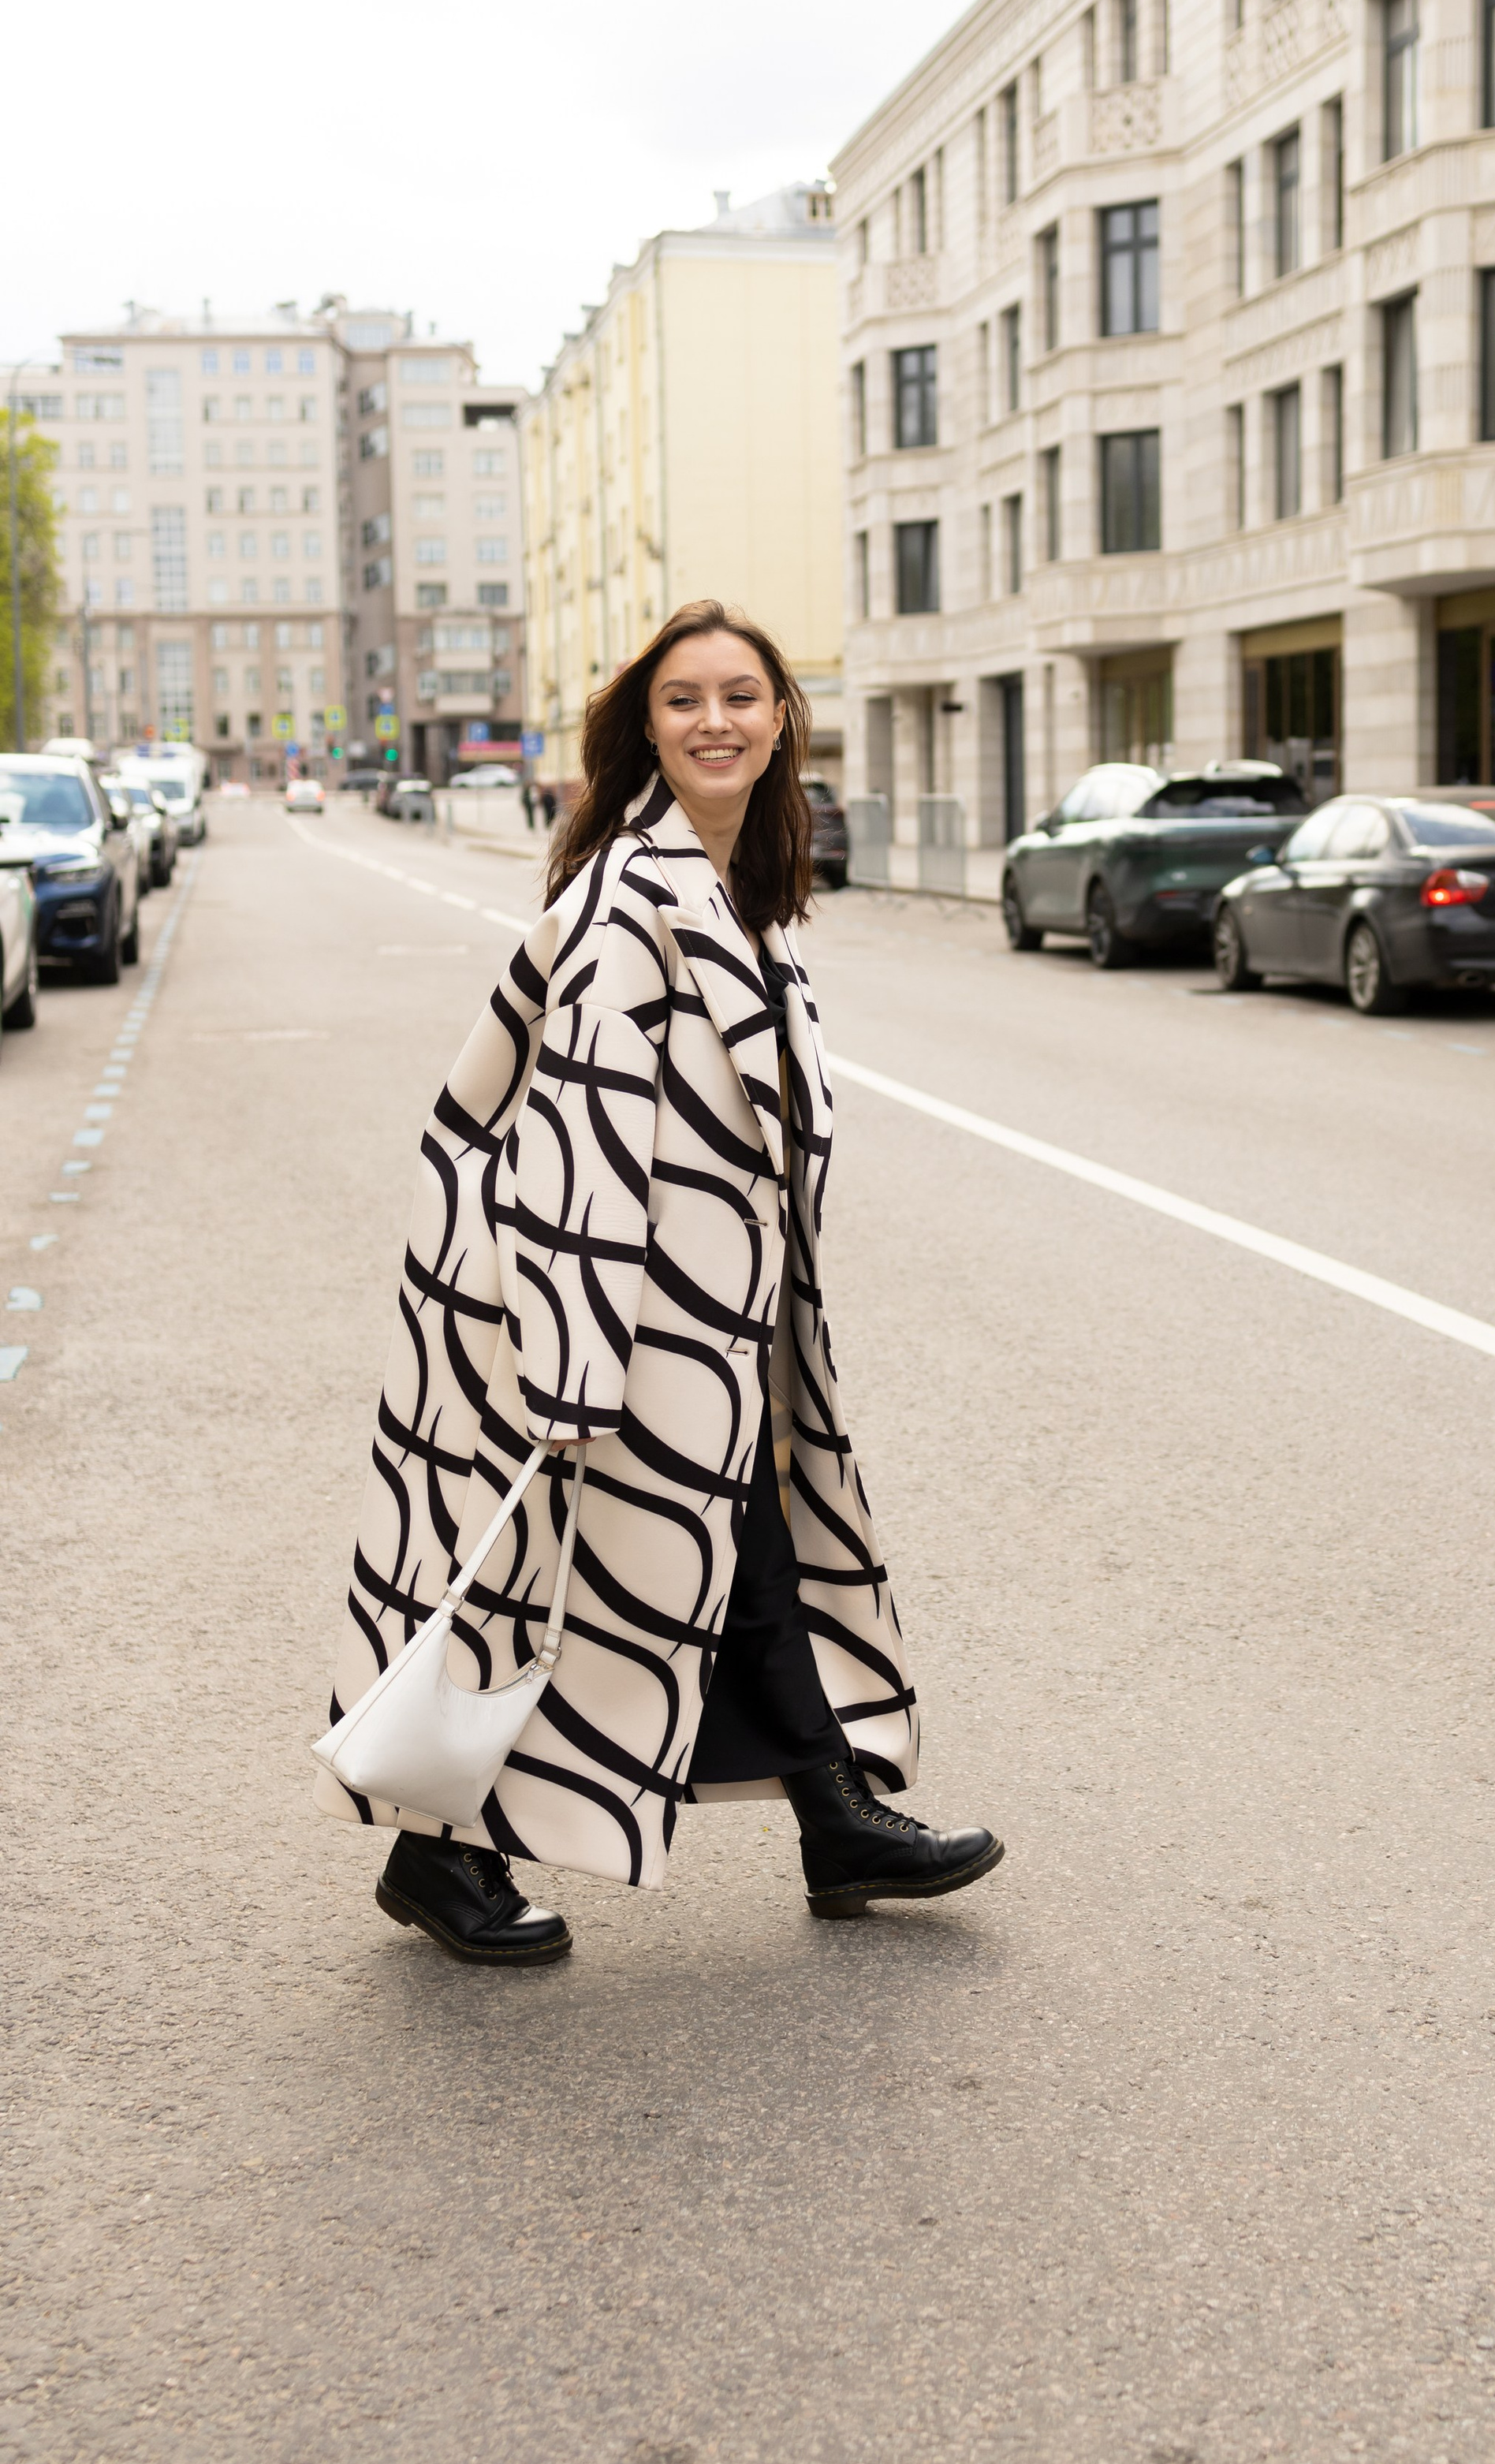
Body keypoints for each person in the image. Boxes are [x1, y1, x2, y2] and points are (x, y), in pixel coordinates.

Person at [315, 598, 1002, 1963]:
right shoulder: (637, 896)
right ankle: (441, 1855)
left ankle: (831, 1813)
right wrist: (574, 1356)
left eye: (741, 696)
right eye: (685, 701)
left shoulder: (739, 883)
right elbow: (579, 1121)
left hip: (700, 1310)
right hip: (605, 1309)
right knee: (569, 1570)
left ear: (782, 717)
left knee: (714, 1550)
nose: (716, 722)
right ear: (648, 727)